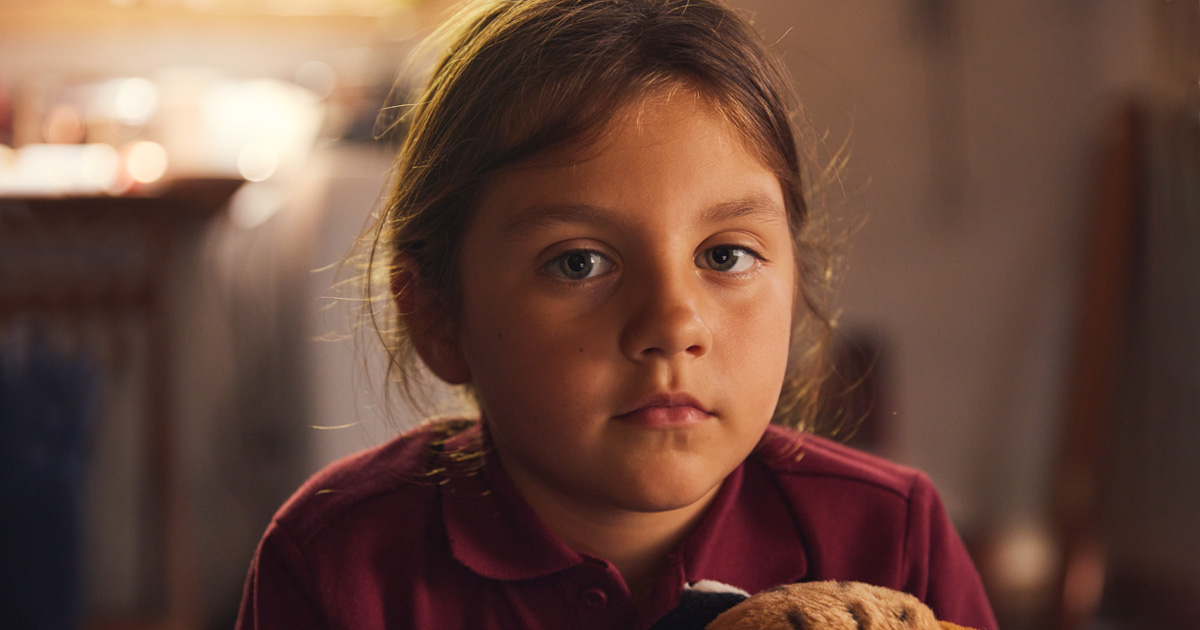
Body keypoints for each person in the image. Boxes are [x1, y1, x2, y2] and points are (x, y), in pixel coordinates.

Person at [236, 1, 998, 628]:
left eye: (726, 255)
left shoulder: (892, 537)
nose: (673, 323)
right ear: (438, 316)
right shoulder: (339, 563)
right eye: (579, 262)